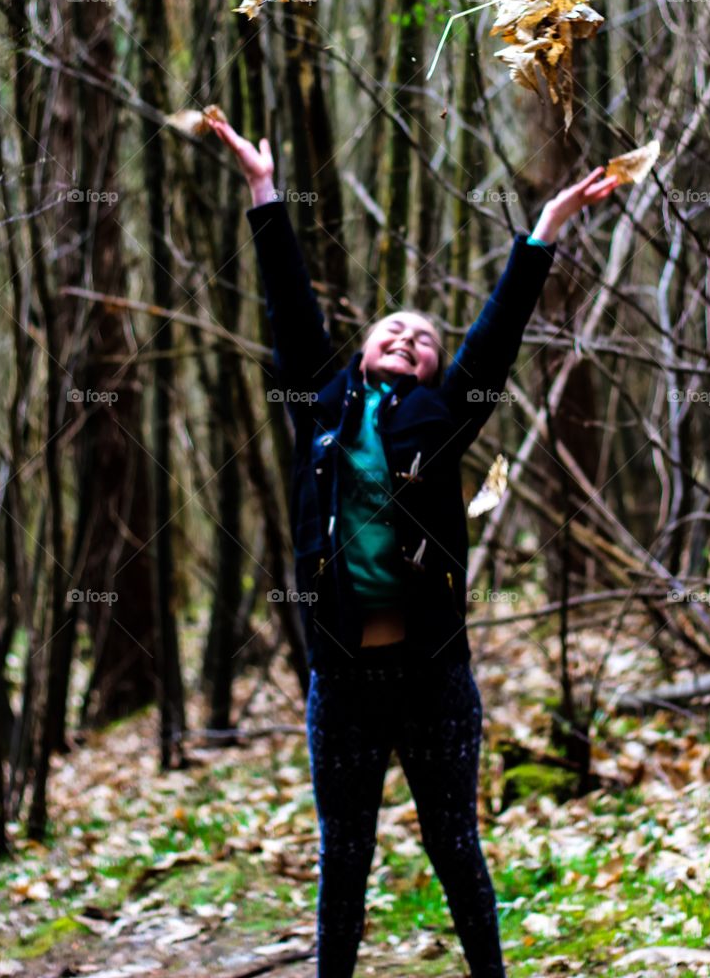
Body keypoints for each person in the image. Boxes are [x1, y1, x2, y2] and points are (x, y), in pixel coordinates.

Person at [208, 112, 619, 977]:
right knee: (343, 861)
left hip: (434, 676)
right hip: (343, 683)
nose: (407, 337)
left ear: (435, 369)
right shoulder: (317, 403)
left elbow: (497, 335)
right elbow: (288, 300)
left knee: (455, 848)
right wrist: (261, 189)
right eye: (391, 330)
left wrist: (543, 230)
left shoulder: (445, 418)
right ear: (361, 351)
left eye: (423, 338)